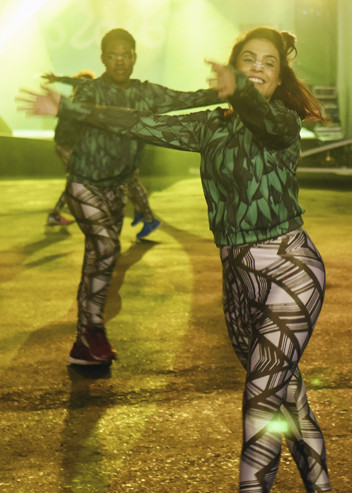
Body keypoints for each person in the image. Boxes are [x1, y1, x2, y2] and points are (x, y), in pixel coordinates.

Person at [19, 26, 352, 493]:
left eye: (269, 62)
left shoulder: (281, 123)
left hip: (291, 269)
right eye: (248, 60)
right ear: (232, 64)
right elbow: (142, 122)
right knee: (285, 394)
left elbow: (262, 115)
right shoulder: (212, 126)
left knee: (261, 394)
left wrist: (239, 90)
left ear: (281, 72)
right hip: (239, 281)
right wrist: (73, 106)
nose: (258, 68)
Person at [38, 29, 222, 367]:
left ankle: (84, 342)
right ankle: (93, 330)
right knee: (107, 248)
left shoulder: (146, 93)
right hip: (84, 185)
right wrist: (74, 161)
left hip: (116, 189)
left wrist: (228, 91)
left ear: (135, 57)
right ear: (103, 58)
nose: (120, 60)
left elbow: (186, 99)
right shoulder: (90, 90)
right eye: (113, 55)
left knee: (98, 258)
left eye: (127, 54)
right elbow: (68, 126)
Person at [44, 70, 161, 239]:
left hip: (123, 147)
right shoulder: (82, 103)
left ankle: (146, 218)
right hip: (89, 147)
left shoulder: (101, 100)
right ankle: (141, 214)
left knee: (127, 181)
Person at [45, 70, 95, 226]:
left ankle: (57, 213)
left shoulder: (82, 103)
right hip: (64, 146)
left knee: (76, 180)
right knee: (78, 179)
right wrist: (59, 78)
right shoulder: (73, 103)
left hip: (69, 146)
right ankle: (57, 213)